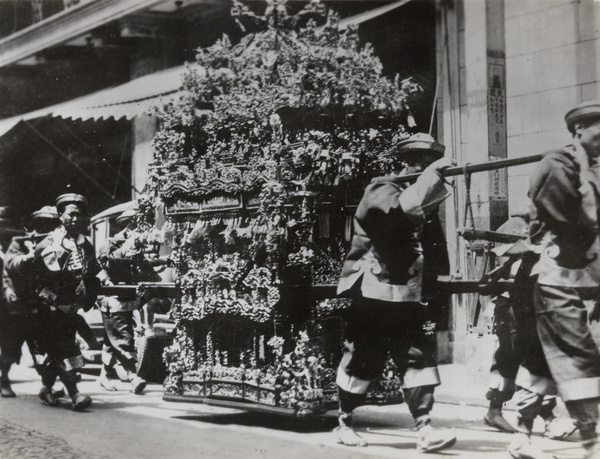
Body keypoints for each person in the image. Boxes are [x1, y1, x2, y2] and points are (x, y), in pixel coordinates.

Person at [334, 133, 456, 453]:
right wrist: (432, 179)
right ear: (406, 163)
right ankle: (344, 421)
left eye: (427, 162)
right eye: (417, 162)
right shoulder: (380, 188)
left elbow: (432, 246)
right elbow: (397, 217)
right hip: (373, 292)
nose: (422, 166)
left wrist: (436, 283)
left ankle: (425, 428)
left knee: (417, 356)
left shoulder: (422, 199)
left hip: (407, 294)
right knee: (363, 357)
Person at [507, 101, 600, 459]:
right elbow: (575, 218)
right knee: (579, 355)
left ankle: (521, 435)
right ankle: (592, 443)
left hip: (586, 278)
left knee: (544, 364)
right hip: (554, 276)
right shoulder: (557, 165)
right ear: (579, 129)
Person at [482, 216, 577, 440]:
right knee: (512, 356)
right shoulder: (518, 224)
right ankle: (498, 411)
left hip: (536, 305)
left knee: (536, 357)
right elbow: (505, 258)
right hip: (511, 305)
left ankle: (547, 417)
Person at [34, 193, 110, 411]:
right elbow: (37, 281)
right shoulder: (48, 244)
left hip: (72, 308)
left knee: (57, 349)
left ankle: (46, 389)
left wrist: (107, 282)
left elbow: (94, 269)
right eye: (72, 215)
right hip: (50, 308)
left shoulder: (85, 243)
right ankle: (75, 395)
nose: (76, 219)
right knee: (65, 348)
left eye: (80, 215)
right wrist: (53, 302)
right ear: (61, 216)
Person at [0, 206, 67, 402]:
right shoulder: (21, 242)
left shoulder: (57, 244)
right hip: (19, 306)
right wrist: (28, 257)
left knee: (43, 348)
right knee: (11, 345)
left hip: (42, 304)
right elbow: (11, 263)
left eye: (51, 223)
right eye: (43, 223)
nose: (46, 226)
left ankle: (47, 387)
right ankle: (4, 380)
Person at [96, 208, 146, 394]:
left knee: (112, 341)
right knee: (123, 338)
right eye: (135, 225)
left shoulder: (138, 244)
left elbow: (143, 267)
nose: (138, 229)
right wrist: (126, 248)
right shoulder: (111, 243)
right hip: (112, 298)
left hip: (127, 298)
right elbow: (106, 264)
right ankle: (134, 376)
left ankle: (104, 376)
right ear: (128, 226)